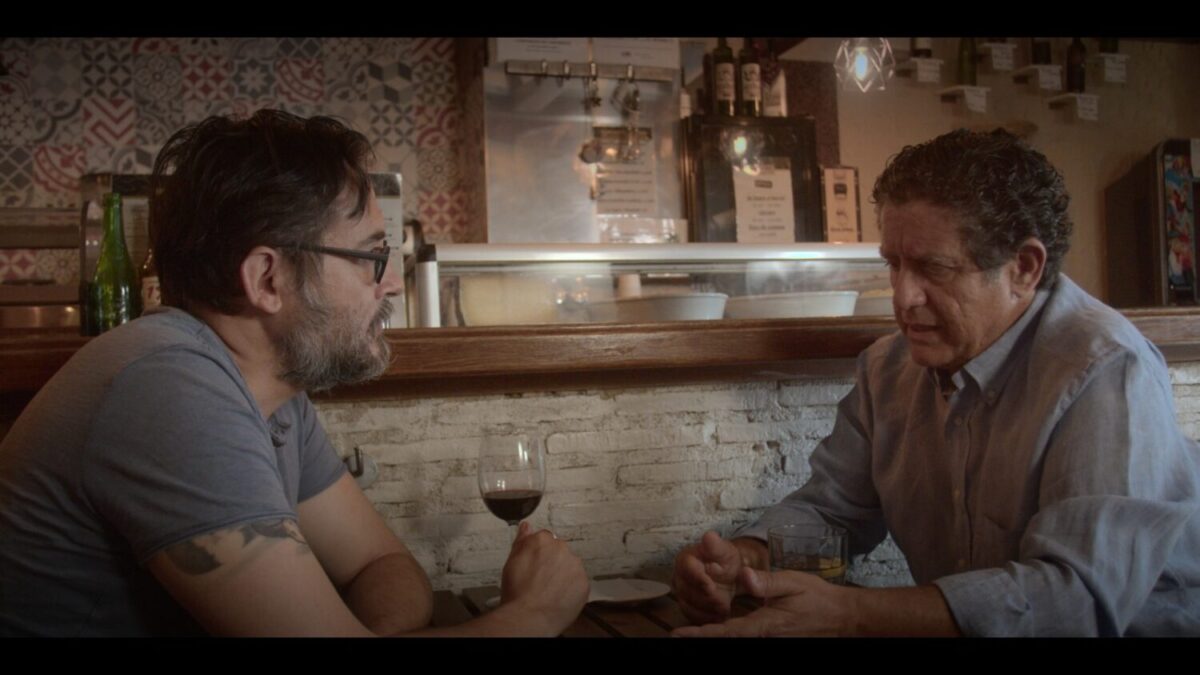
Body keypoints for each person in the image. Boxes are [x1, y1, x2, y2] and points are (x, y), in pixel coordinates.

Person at [0, 109, 589, 637]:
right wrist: (533, 615)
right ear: (267, 280)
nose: (389, 282)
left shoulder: (273, 394)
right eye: (371, 257)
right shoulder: (170, 388)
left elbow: (383, 567)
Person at [671, 129, 1200, 637]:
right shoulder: (887, 369)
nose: (902, 298)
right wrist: (746, 560)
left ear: (1024, 267)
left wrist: (852, 613)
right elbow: (833, 513)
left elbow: (1075, 599)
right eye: (894, 265)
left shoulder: (1105, 369)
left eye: (933, 268)